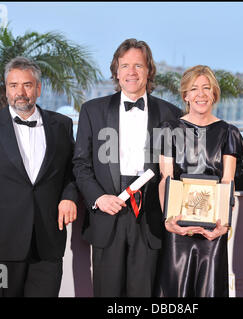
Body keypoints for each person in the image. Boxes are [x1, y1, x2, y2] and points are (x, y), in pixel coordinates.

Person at [73, 38, 182, 297]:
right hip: (107, 213)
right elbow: (81, 164)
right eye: (125, 66)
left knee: (144, 293)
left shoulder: (171, 114)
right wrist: (99, 198)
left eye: (138, 66)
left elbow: (178, 170)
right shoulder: (92, 111)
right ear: (116, 71)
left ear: (149, 70)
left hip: (150, 217)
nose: (131, 72)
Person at [0, 57, 79, 297]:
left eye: (27, 85)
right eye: (13, 85)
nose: (20, 92)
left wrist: (69, 197)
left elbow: (73, 170)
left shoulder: (62, 125)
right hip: (1, 246)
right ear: (6, 90)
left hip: (47, 245)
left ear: (38, 88)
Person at [156, 65, 243, 297]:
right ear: (185, 96)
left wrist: (224, 226)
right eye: (194, 89)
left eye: (207, 88)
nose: (201, 94)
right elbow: (165, 178)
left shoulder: (229, 132)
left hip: (212, 231)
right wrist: (168, 219)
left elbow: (227, 181)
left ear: (214, 94)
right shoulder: (169, 129)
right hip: (178, 228)